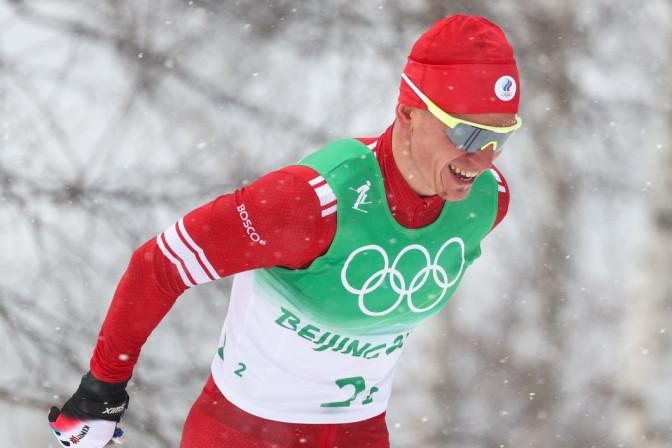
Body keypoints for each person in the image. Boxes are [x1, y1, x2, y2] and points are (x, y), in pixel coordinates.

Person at [47, 14, 521, 448]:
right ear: (408, 115)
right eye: (468, 134)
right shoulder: (309, 203)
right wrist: (101, 390)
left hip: (360, 433)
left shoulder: (486, 201)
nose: (481, 159)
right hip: (243, 433)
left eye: (500, 136)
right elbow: (159, 264)